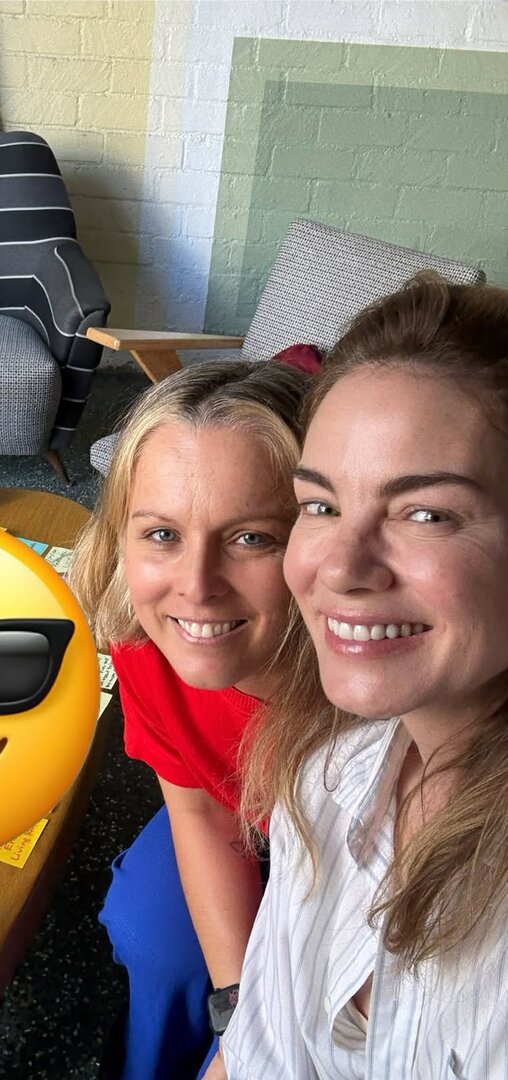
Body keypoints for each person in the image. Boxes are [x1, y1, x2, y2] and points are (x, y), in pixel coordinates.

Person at [208, 273, 508, 1078]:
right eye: (321, 505)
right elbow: (258, 1056)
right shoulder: (325, 777)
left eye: (426, 513)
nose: (339, 568)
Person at [69, 359, 312, 1079]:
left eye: (251, 538)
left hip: (351, 867)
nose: (197, 587)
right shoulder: (149, 640)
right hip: (238, 821)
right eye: (162, 535)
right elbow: (201, 809)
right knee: (151, 931)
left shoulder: (366, 689)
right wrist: (238, 1013)